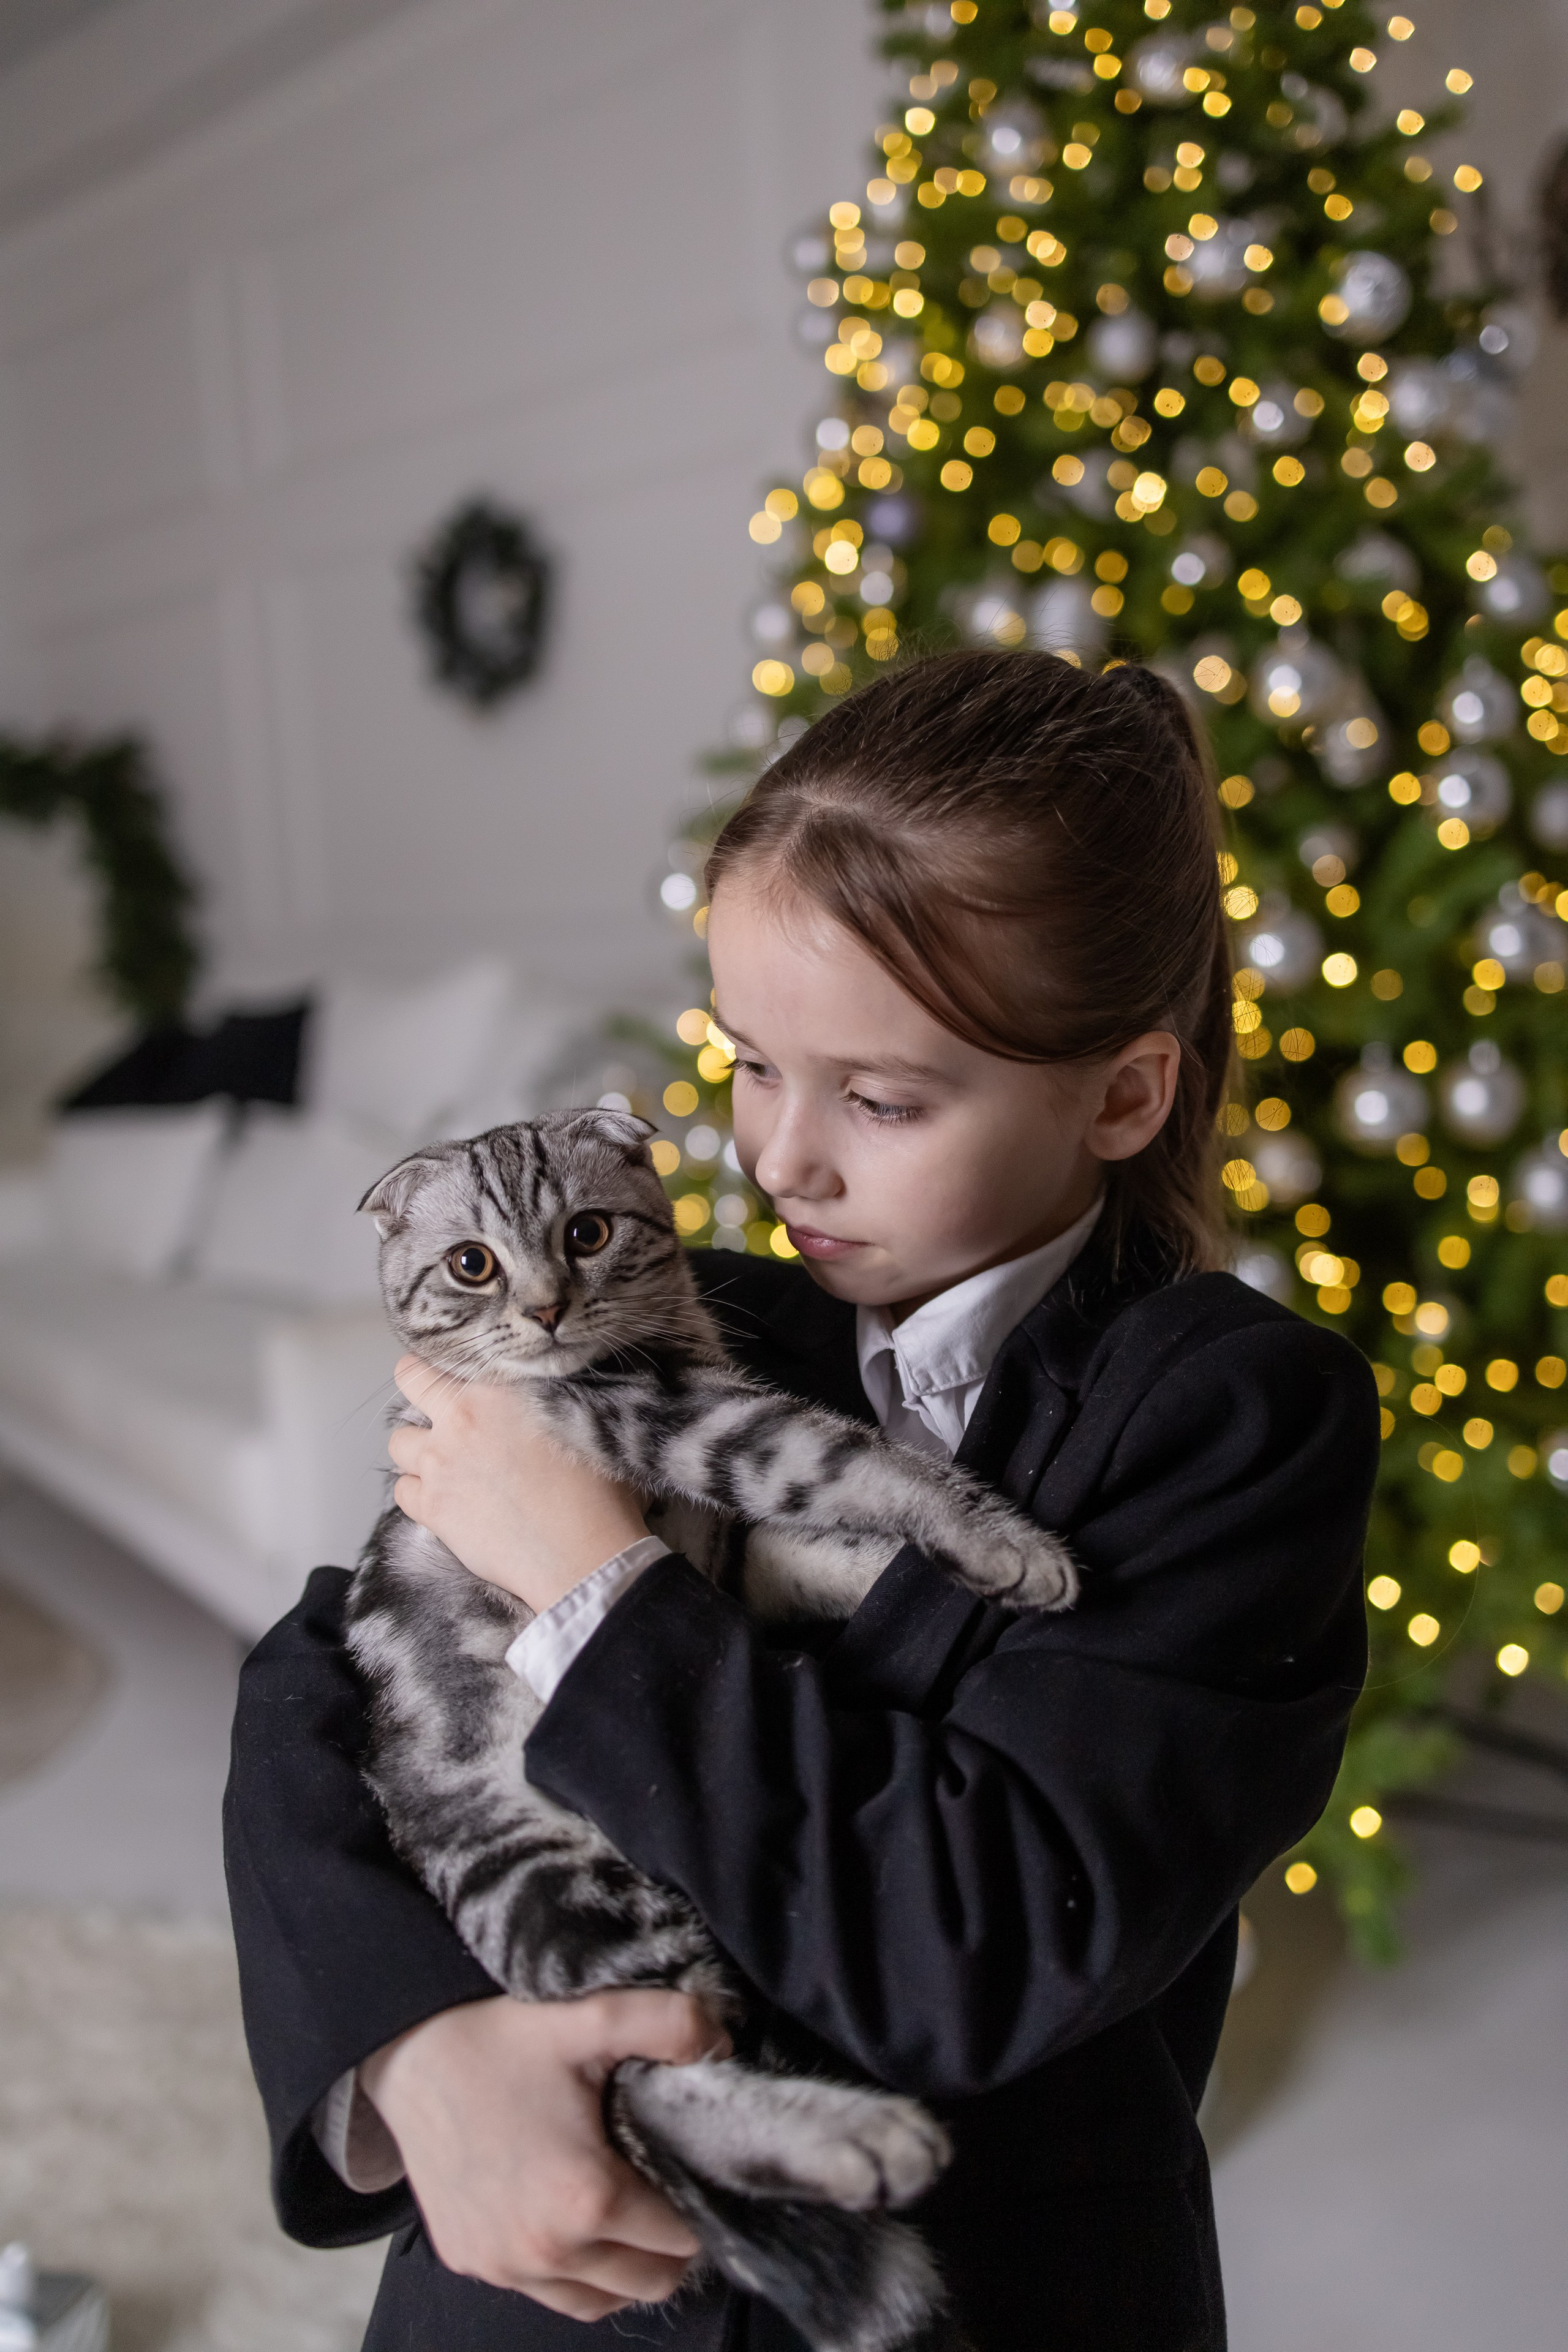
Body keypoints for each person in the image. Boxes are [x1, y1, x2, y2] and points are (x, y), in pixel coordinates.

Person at [225, 649, 1378, 2351]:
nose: (780, 1161)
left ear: (1126, 1091)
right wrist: (417, 2055)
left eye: (882, 1099)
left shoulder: (1231, 1421)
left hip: (966, 2293)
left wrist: (587, 1573)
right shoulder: (703, 1314)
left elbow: (971, 1942)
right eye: (754, 1065)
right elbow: (319, 1677)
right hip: (555, 2289)